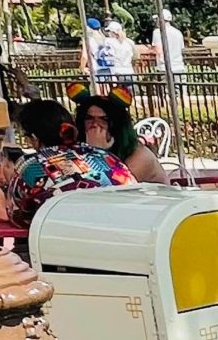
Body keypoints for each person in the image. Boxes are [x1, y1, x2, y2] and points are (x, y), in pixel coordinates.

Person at [7, 99, 132, 241]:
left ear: (34, 138)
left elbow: (18, 216)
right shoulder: (105, 155)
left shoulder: (31, 165)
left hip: (73, 246)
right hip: (125, 235)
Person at [75, 90, 167, 185]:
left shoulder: (138, 156)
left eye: (104, 119)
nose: (95, 124)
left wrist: (97, 152)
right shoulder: (80, 146)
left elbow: (107, 187)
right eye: (89, 118)